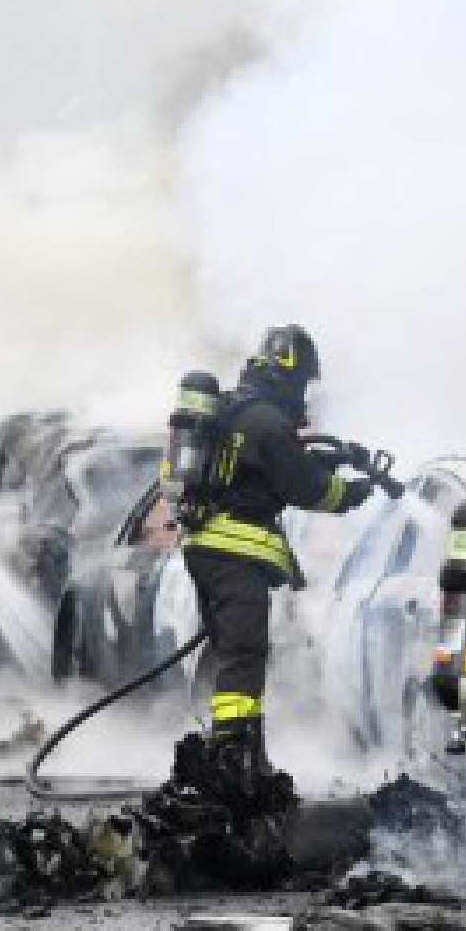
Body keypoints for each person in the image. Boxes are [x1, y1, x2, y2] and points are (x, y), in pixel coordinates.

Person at [183, 324, 379, 785]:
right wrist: (353, 492)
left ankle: (212, 746)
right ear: (290, 373)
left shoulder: (241, 411)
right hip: (237, 553)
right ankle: (235, 761)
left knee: (225, 649)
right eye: (305, 382)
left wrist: (337, 455)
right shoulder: (268, 422)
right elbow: (307, 487)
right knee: (244, 653)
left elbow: (266, 468)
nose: (305, 394)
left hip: (209, 549)